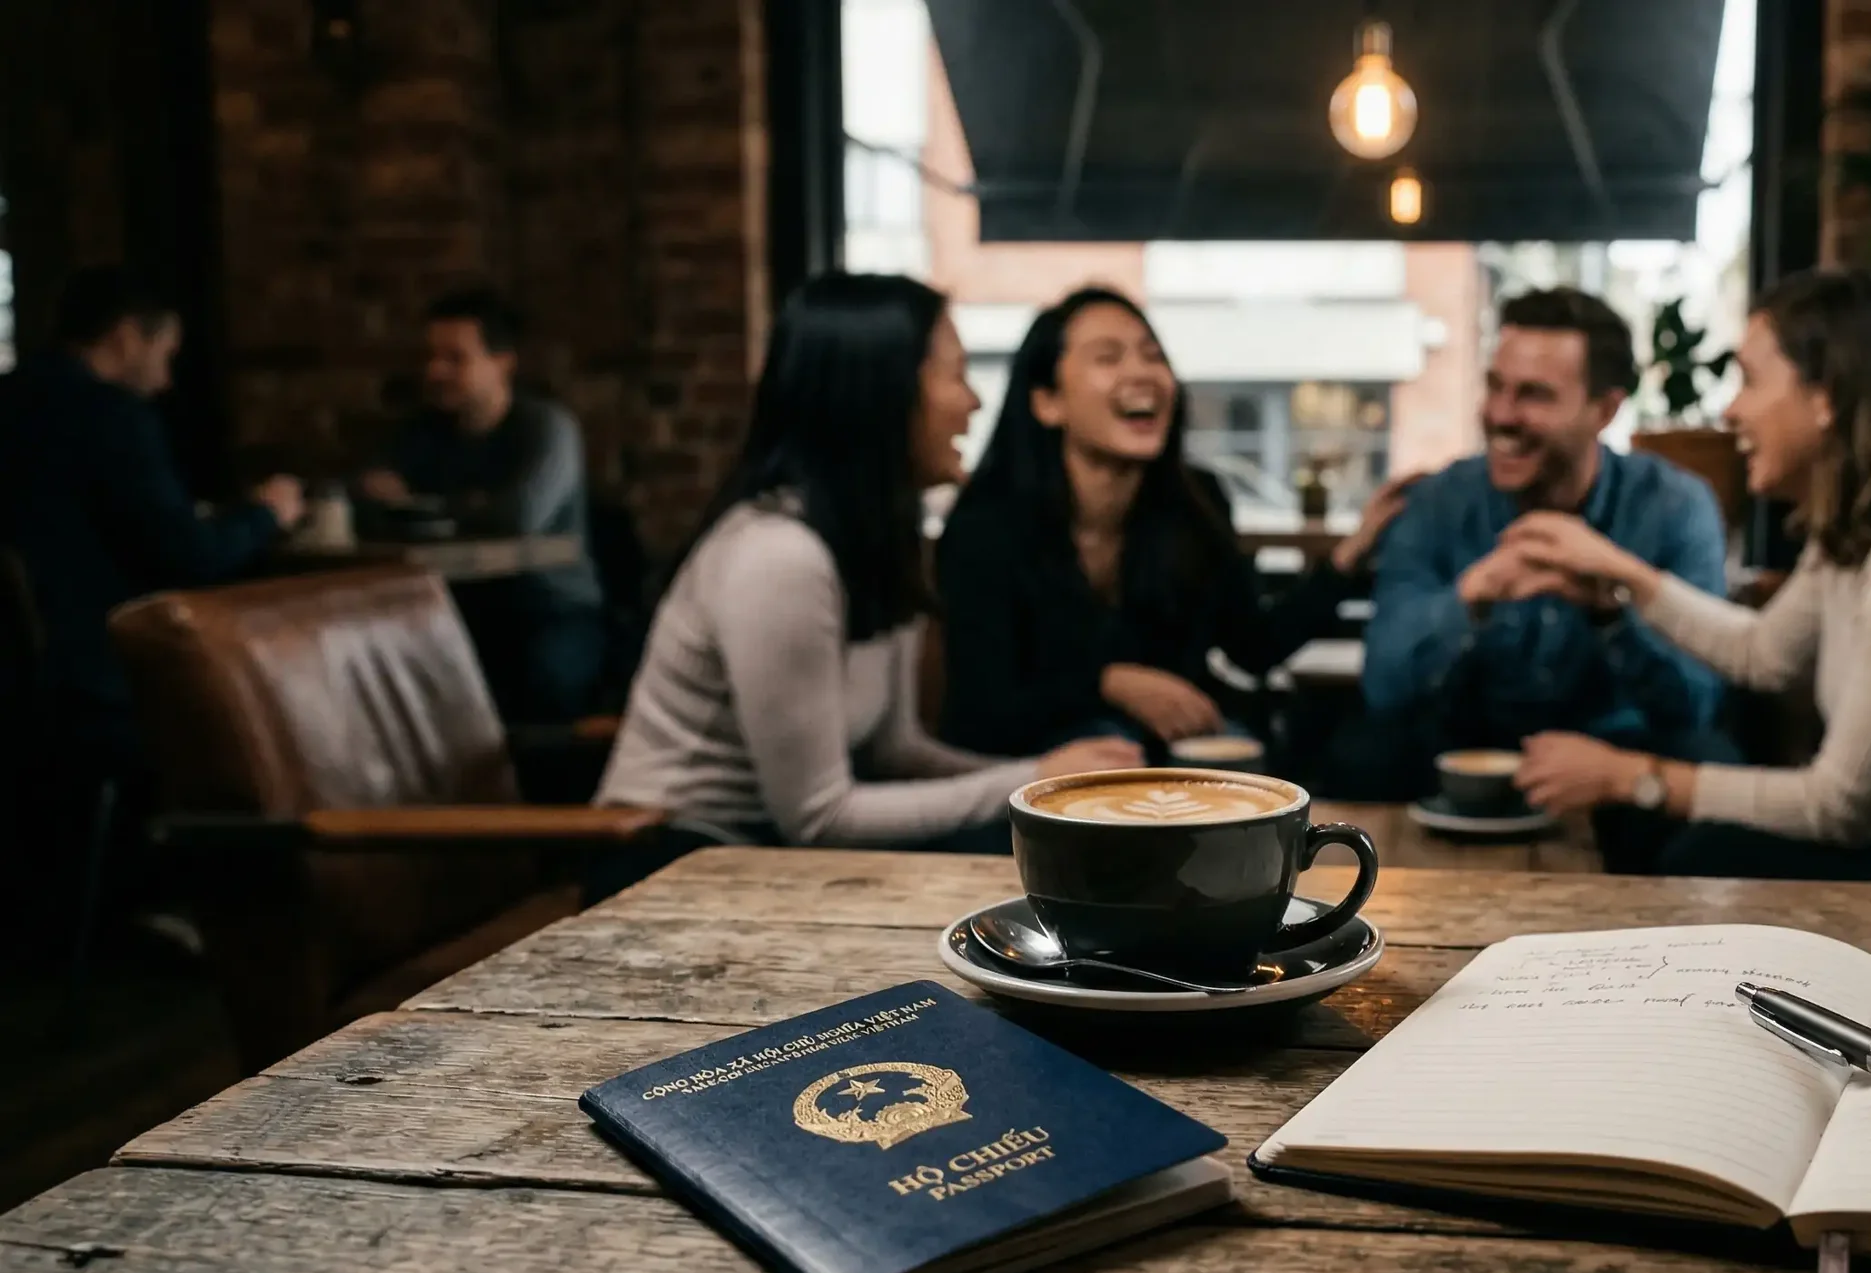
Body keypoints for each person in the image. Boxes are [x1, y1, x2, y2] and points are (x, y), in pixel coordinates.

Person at [1502, 268, 1871, 881]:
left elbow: (1840, 809)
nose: (1730, 411)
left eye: (1750, 380)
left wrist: (1629, 777)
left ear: (1825, 396)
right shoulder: (1859, 532)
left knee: (1691, 849)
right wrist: (1622, 578)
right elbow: (1763, 654)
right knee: (1649, 825)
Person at [589, 273, 1138, 901]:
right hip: (672, 866)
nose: (974, 403)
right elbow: (818, 817)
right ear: (883, 393)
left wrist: (1045, 785)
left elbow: (893, 749)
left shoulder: (876, 540)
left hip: (769, 860)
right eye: (954, 375)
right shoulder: (778, 556)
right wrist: (1032, 778)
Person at [935, 286, 1411, 759]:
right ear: (1047, 402)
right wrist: (1110, 684)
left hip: (1183, 757)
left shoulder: (1195, 502)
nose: (1142, 373)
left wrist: (1351, 553)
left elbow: (1254, 645)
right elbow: (982, 710)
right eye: (1108, 357)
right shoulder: (986, 526)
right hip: (1041, 774)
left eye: (1152, 355)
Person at [0, 267, 303, 956]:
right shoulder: (110, 416)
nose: (166, 380)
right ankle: (228, 910)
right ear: (127, 337)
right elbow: (190, 556)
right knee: (264, 706)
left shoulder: (11, 402)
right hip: (96, 687)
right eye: (164, 355)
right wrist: (267, 511)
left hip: (22, 685)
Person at [1345, 287, 1734, 803]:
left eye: (1534, 395)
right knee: (1361, 754)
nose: (1502, 415)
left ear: (1605, 410)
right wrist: (1471, 597)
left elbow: (1695, 704)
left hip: (1612, 758)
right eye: (1495, 387)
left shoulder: (1673, 507)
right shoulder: (1439, 501)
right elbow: (1383, 685)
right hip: (1462, 750)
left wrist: (1611, 612)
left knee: (1710, 755)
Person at [364, 289, 605, 723]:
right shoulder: (424, 431)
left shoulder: (546, 429)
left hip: (550, 610)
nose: (435, 371)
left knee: (539, 685)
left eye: (455, 359)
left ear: (503, 362)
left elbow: (519, 517)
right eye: (432, 357)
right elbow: (371, 500)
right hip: (460, 610)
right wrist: (464, 506)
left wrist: (426, 506)